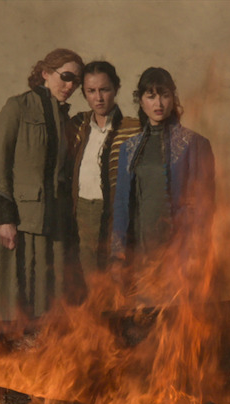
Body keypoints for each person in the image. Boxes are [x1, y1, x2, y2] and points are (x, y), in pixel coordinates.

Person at [0, 49, 83, 319]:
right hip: (21, 222)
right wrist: (5, 219)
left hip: (54, 223)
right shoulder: (17, 108)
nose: (70, 86)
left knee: (49, 300)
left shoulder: (64, 118)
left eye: (76, 82)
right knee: (12, 296)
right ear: (45, 73)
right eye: (66, 77)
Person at [111, 67, 215, 263]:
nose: (158, 103)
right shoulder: (129, 148)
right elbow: (121, 205)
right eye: (151, 96)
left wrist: (197, 251)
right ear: (141, 102)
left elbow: (204, 205)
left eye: (164, 96)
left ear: (172, 99)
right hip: (140, 252)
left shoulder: (195, 144)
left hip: (181, 253)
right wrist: (117, 254)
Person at [70, 61, 140, 274]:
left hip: (116, 214)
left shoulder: (133, 128)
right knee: (86, 282)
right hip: (81, 215)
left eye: (104, 90)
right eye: (91, 91)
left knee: (116, 279)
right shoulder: (76, 126)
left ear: (116, 88)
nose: (98, 98)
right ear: (84, 93)